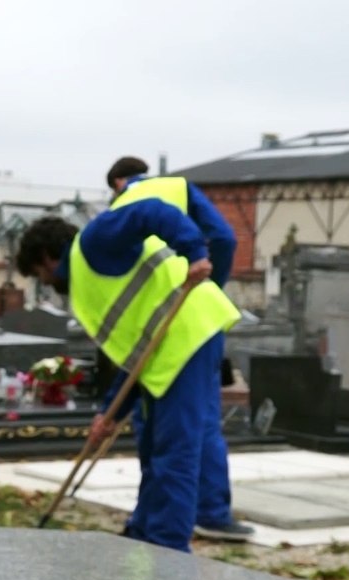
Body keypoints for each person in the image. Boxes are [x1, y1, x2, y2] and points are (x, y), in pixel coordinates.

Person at [14, 188, 249, 553]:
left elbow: (152, 211)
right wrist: (111, 412)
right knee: (154, 445)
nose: (46, 283)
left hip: (188, 334)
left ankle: (167, 548)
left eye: (40, 274)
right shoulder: (87, 282)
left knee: (175, 451)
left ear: (46, 257)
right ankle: (143, 532)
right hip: (161, 351)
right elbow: (133, 352)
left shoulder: (95, 242)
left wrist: (194, 252)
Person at [102, 156, 252, 543]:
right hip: (204, 319)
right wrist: (210, 289)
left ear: (117, 182)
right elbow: (224, 239)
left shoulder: (125, 204)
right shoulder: (179, 187)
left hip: (167, 323)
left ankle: (154, 525)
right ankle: (212, 513)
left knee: (161, 431)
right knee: (204, 421)